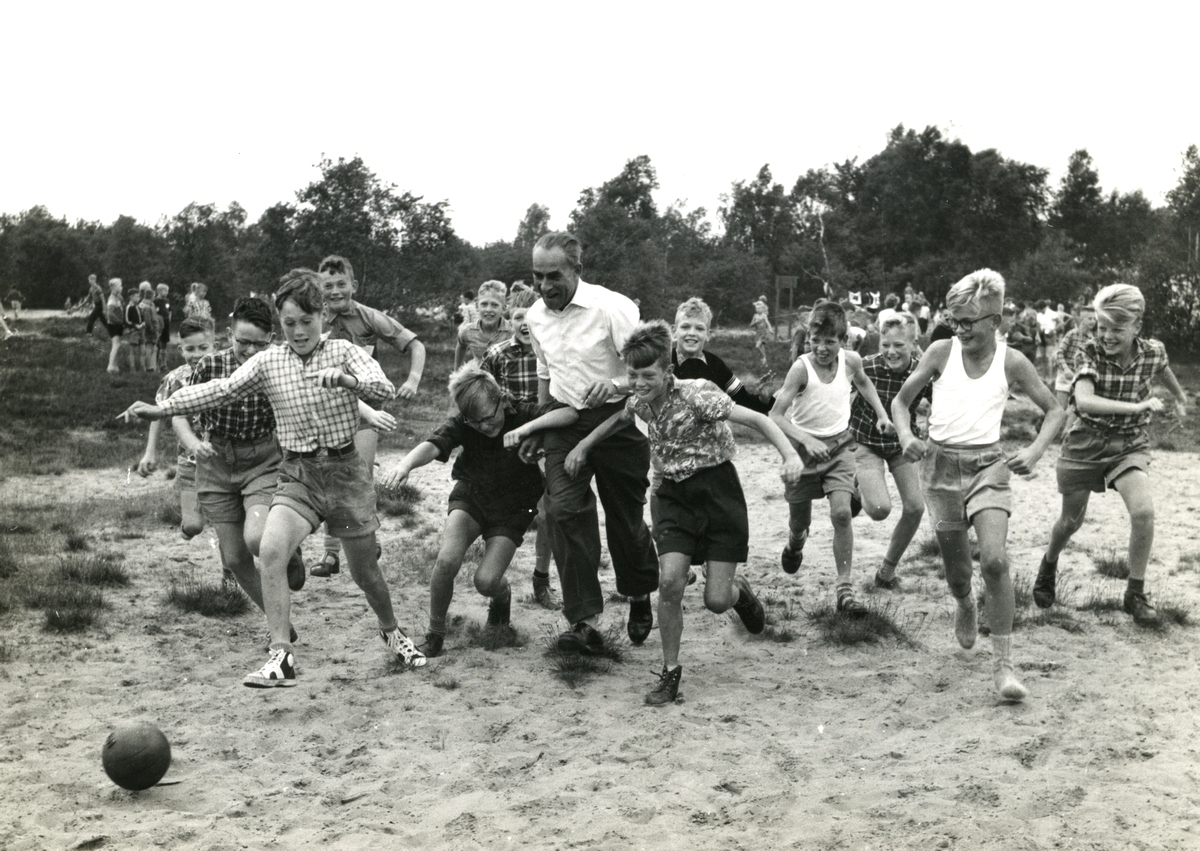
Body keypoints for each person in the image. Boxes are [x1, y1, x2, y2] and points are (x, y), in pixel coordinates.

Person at [119, 269, 426, 688]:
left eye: (307, 321)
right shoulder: (269, 360)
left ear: (322, 317)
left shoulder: (342, 351)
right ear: (279, 324)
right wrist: (163, 408)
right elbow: (221, 390)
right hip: (298, 474)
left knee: (364, 572)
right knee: (271, 547)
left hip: (344, 474)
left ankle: (392, 632)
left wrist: (347, 381)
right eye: (289, 323)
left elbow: (382, 389)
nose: (298, 331)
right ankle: (281, 655)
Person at [565, 320, 803, 705]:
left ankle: (738, 593)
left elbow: (758, 419)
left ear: (668, 371)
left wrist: (790, 455)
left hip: (718, 494)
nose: (638, 383)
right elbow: (620, 417)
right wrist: (583, 446)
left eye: (647, 375)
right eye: (633, 375)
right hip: (674, 495)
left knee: (715, 600)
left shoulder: (699, 396)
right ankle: (670, 671)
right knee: (671, 582)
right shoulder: (640, 398)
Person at [891, 269, 1065, 701]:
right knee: (958, 575)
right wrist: (908, 436)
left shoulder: (1012, 361)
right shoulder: (939, 351)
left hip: (989, 466)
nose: (961, 329)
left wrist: (1036, 450)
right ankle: (966, 603)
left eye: (970, 321)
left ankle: (1004, 666)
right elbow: (900, 402)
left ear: (996, 320)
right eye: (955, 320)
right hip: (940, 468)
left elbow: (1055, 411)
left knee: (995, 562)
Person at [521, 231, 660, 654]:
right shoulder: (535, 317)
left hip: (620, 420)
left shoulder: (612, 307)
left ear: (577, 270)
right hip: (565, 421)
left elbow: (645, 371)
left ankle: (638, 594)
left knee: (624, 516)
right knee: (563, 511)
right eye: (537, 276)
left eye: (554, 276)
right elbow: (546, 374)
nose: (545, 286)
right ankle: (584, 621)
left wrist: (615, 382)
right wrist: (542, 425)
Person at [380, 366, 578, 657]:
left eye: (490, 417)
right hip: (472, 496)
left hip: (513, 507)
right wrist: (404, 465)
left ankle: (502, 596)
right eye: (476, 422)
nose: (486, 426)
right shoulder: (464, 423)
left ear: (502, 399)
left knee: (485, 581)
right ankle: (435, 634)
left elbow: (570, 413)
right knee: (446, 560)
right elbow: (434, 444)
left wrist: (528, 429)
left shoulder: (521, 412)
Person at [1032, 284, 1188, 626]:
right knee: (1071, 522)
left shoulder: (1153, 351)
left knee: (1144, 511)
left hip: (1129, 443)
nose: (1107, 336)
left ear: (1137, 327)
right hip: (1086, 442)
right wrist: (1138, 405)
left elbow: (1162, 367)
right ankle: (1049, 564)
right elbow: (1085, 400)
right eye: (1102, 327)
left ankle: (1134, 593)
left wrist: (1178, 397)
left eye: (1117, 329)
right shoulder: (1088, 352)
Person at [183, 296, 309, 606]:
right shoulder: (210, 365)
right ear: (229, 335)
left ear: (272, 340)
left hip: (261, 459)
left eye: (259, 344)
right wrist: (193, 443)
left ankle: (288, 548)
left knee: (256, 539)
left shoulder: (280, 366)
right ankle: (276, 619)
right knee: (236, 558)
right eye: (243, 342)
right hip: (217, 463)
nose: (250, 351)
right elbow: (183, 409)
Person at [769, 302, 892, 615]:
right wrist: (807, 441)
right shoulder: (801, 368)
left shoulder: (851, 362)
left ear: (844, 340)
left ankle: (844, 590)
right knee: (800, 522)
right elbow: (776, 415)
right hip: (802, 451)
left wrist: (881, 414)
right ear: (807, 337)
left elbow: (864, 383)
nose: (821, 348)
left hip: (840, 449)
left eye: (829, 342)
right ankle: (796, 542)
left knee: (841, 514)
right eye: (815, 340)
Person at [310, 254, 426, 579]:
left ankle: (366, 537)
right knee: (331, 479)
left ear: (353, 285)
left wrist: (413, 379)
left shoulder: (369, 317)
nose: (335, 291)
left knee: (358, 476)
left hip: (367, 413)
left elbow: (415, 344)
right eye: (328, 286)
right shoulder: (315, 320)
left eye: (341, 284)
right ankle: (331, 556)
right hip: (327, 411)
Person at [480, 283, 559, 608]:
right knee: (498, 516)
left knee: (548, 515)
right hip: (507, 446)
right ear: (508, 321)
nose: (525, 324)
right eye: (517, 317)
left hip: (545, 441)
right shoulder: (498, 355)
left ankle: (542, 579)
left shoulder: (554, 352)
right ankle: (496, 583)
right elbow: (479, 395)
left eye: (531, 318)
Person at [849, 311, 930, 590]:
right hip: (865, 442)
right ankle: (856, 486)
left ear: (913, 343)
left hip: (900, 446)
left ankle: (886, 572)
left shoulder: (923, 372)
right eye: (885, 345)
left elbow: (944, 404)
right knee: (881, 509)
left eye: (899, 345)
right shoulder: (866, 366)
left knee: (916, 507)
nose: (891, 352)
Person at [138, 316, 216, 539]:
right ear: (180, 349)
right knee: (193, 526)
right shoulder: (174, 379)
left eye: (203, 347)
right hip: (189, 462)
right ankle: (188, 525)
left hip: (223, 461)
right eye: (190, 349)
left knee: (226, 523)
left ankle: (229, 572)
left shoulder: (226, 375)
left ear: (215, 346)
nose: (197, 354)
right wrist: (149, 453)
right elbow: (158, 415)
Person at [672, 297, 774, 414]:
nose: (692, 333)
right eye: (685, 327)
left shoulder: (716, 365)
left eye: (699, 328)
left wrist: (763, 399)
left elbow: (743, 400)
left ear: (708, 334)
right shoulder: (662, 361)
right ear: (674, 331)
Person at [455, 280, 510, 368]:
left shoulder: (512, 330)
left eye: (494, 305)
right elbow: (461, 345)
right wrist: (456, 371)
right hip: (480, 378)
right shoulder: (468, 331)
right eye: (484, 304)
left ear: (504, 308)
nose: (488, 309)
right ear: (477, 306)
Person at [1052, 304, 1096, 411]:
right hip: (1066, 374)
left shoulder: (1092, 339)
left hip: (1079, 376)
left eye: (1094, 318)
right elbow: (1059, 353)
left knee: (1075, 410)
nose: (1093, 321)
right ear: (1082, 319)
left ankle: (1068, 427)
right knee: (1060, 409)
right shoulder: (1072, 334)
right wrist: (1066, 369)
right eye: (1090, 318)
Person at [137, 283, 160, 372]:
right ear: (151, 296)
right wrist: (152, 329)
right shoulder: (148, 306)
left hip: (148, 328)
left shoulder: (143, 304)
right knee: (151, 348)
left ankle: (151, 366)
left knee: (152, 348)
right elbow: (148, 319)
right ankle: (149, 367)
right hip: (150, 329)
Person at [104, 278, 125, 373]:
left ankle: (115, 366)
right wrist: (119, 321)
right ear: (113, 287)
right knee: (116, 345)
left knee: (117, 345)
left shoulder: (117, 297)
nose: (121, 287)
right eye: (119, 286)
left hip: (117, 324)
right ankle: (110, 366)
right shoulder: (112, 299)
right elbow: (110, 314)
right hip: (113, 324)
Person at [124, 286, 145, 372]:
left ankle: (142, 367)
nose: (139, 298)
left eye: (139, 296)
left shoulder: (139, 307)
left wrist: (143, 322)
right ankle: (132, 368)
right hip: (134, 331)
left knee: (143, 349)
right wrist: (135, 326)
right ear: (131, 297)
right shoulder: (129, 307)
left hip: (141, 330)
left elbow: (142, 317)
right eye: (137, 296)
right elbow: (127, 320)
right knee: (132, 350)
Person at [749, 298, 773, 368]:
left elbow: (768, 323)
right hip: (757, 333)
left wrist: (770, 329)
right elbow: (751, 325)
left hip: (763, 333)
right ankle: (764, 363)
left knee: (757, 346)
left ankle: (764, 358)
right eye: (757, 308)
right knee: (762, 348)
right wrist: (755, 322)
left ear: (762, 309)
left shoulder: (764, 315)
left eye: (759, 308)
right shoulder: (755, 316)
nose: (758, 310)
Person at [154, 284, 172, 371]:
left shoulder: (166, 301)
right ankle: (155, 364)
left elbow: (169, 310)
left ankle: (163, 364)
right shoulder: (155, 301)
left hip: (166, 322)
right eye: (165, 291)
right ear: (159, 291)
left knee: (164, 342)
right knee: (157, 343)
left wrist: (169, 319)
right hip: (158, 324)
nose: (167, 293)